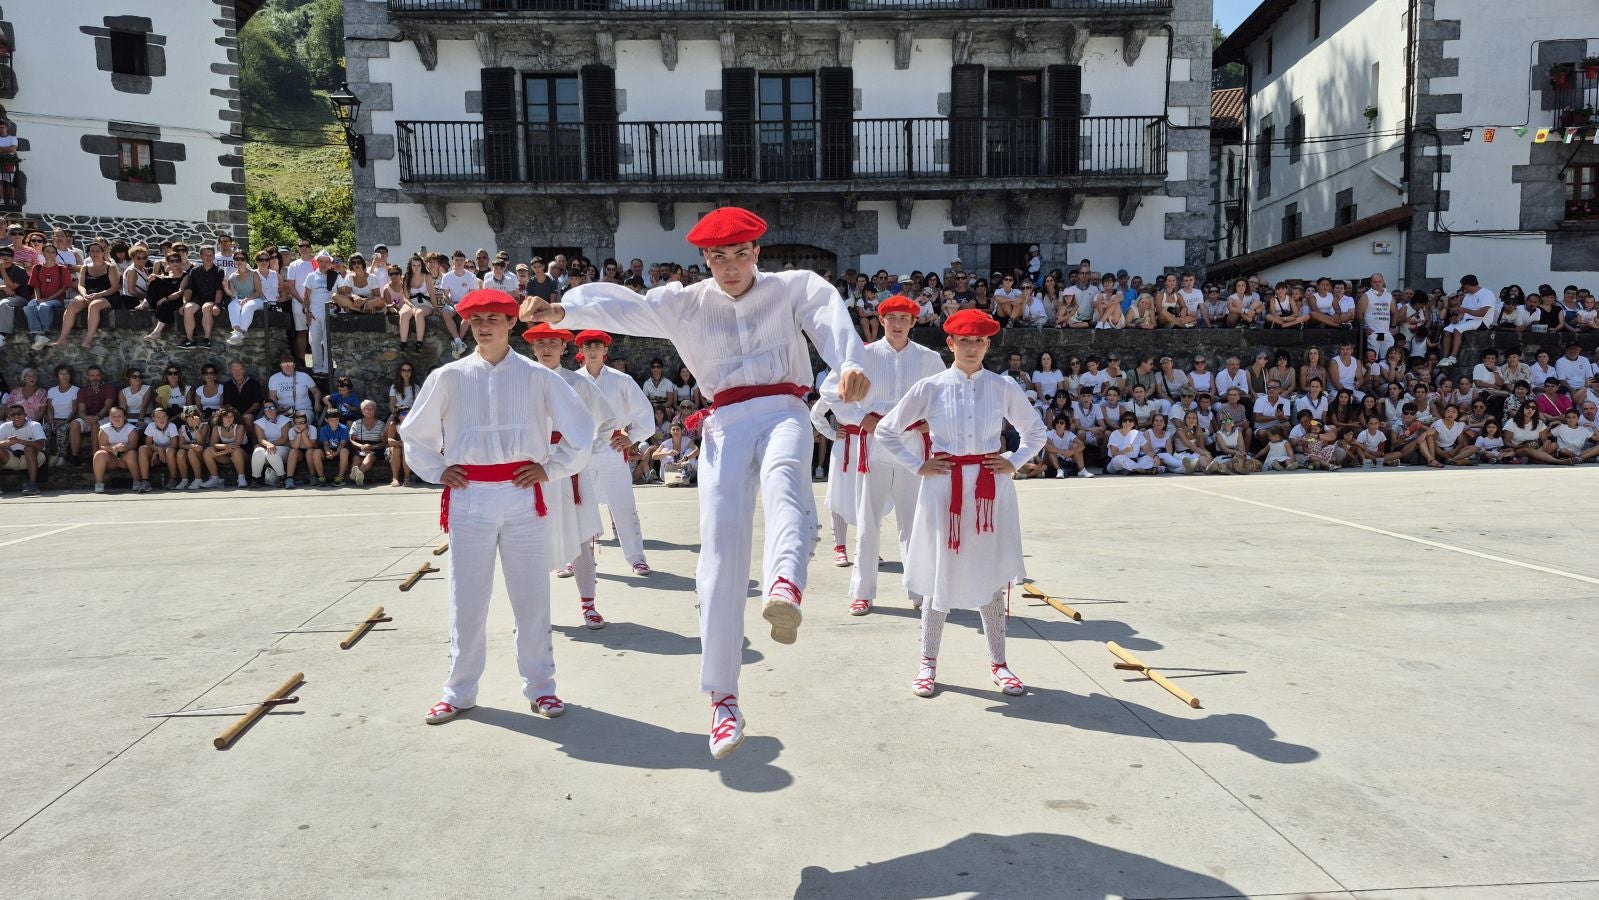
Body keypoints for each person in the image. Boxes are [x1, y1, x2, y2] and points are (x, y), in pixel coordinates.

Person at [526, 206, 868, 759]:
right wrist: (564, 309)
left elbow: (829, 314)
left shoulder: (792, 287)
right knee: (719, 547)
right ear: (704, 259)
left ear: (757, 252)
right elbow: (625, 305)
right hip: (726, 420)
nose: (730, 266)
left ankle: (785, 584)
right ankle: (723, 700)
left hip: (784, 406)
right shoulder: (683, 302)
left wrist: (849, 362)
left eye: (739, 254)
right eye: (717, 257)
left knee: (785, 479)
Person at [399, 289, 596, 726]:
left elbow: (582, 428)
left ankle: (542, 686)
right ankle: (459, 690)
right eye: (477, 318)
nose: (485, 324)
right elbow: (416, 434)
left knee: (532, 596)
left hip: (523, 494)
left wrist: (553, 468)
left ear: (512, 323)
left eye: (495, 317)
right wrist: (437, 469)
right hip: (470, 495)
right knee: (466, 597)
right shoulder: (449, 377)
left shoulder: (538, 376)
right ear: (467, 323)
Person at [874, 309, 1044, 700]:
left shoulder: (1002, 387)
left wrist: (1014, 461)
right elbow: (887, 430)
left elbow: (1035, 430)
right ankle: (927, 664)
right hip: (943, 489)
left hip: (989, 489)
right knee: (940, 574)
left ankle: (999, 663)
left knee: (989, 574)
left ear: (988, 344)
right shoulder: (931, 387)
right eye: (963, 341)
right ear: (950, 344)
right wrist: (919, 465)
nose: (971, 348)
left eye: (979, 341)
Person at [823, 295, 945, 616]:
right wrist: (861, 418)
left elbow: (947, 399)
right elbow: (829, 392)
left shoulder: (929, 358)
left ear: (914, 322)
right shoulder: (863, 355)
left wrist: (930, 423)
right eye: (892, 318)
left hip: (913, 449)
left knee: (914, 521)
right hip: (875, 447)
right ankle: (863, 592)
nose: (898, 324)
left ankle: (920, 589)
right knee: (867, 522)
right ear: (881, 320)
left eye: (904, 318)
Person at [523, 321, 620, 629]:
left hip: (571, 469)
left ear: (564, 347)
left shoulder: (578, 384)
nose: (547, 347)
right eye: (541, 343)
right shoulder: (521, 381)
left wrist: (586, 452)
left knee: (581, 539)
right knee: (530, 541)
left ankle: (589, 605)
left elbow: (607, 420)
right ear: (533, 348)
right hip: (532, 469)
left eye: (553, 341)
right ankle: (531, 613)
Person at [570, 330, 657, 574]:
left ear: (606, 350)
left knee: (623, 504)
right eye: (588, 346)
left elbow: (644, 414)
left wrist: (632, 437)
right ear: (582, 351)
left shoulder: (622, 380)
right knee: (577, 504)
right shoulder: (571, 380)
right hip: (583, 449)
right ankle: (575, 558)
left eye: (598, 346)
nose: (593, 351)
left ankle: (636, 557)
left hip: (611, 447)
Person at [1439, 275, 1496, 365]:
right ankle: (1445, 357)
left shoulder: (1487, 294)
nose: (1462, 288)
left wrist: (1465, 311)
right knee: (1447, 330)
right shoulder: (1468, 296)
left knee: (1457, 330)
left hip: (1481, 321)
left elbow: (1482, 313)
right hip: (1466, 320)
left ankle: (1453, 357)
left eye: (1463, 286)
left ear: (1468, 285)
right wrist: (1457, 319)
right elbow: (1462, 312)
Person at [92, 406, 143, 494]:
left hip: (125, 458)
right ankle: (99, 484)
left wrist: (125, 447)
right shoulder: (104, 429)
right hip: (111, 458)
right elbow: (102, 446)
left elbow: (133, 445)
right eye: (114, 416)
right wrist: (112, 449)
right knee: (99, 454)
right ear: (109, 418)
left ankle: (137, 481)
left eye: (119, 416)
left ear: (124, 417)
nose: (117, 418)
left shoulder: (131, 429)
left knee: (132, 453)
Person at [0, 403, 44, 496]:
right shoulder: (5, 426)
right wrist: (6, 442)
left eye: (19, 413)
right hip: (13, 458)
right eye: (12, 414)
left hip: (35, 457)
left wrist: (20, 441)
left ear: (25, 414)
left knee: (29, 449)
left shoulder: (35, 425)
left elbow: (41, 445)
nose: (16, 416)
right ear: (9, 416)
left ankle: (33, 484)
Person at [138, 406, 180, 490]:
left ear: (167, 417)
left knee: (170, 451)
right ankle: (145, 481)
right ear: (153, 418)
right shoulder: (150, 426)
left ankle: (173, 479)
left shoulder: (172, 426)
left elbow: (174, 445)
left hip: (169, 453)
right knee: (142, 449)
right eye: (158, 417)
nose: (161, 419)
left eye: (163, 416)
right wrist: (158, 449)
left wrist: (159, 451)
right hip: (157, 452)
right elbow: (148, 444)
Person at [252, 401, 292, 487]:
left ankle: (282, 477)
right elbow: (261, 439)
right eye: (266, 408)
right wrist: (268, 445)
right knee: (258, 451)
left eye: (272, 407)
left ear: (276, 408)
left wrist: (269, 444)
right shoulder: (259, 422)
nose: (269, 410)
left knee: (271, 452)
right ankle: (256, 479)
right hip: (266, 447)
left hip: (283, 447)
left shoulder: (285, 420)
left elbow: (284, 439)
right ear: (264, 411)